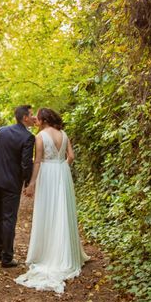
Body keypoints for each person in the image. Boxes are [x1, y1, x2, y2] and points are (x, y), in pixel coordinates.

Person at [15, 107, 89, 292]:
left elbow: (38, 161)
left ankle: (48, 254)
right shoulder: (63, 134)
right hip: (62, 174)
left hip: (47, 174)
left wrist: (31, 183)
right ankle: (67, 253)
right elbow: (70, 156)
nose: (35, 120)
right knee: (63, 210)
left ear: (44, 120)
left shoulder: (40, 137)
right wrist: (62, 167)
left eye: (37, 118)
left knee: (48, 211)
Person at [0, 105, 36, 268]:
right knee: (9, 218)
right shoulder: (28, 137)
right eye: (31, 114)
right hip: (11, 182)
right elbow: (26, 163)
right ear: (25, 118)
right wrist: (27, 181)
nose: (34, 116)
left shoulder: (2, 130)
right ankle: (7, 258)